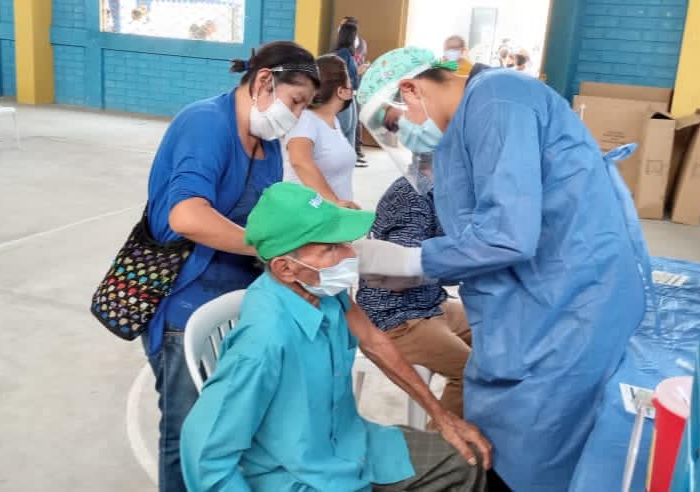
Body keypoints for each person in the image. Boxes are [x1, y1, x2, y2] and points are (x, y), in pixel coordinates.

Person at [354, 47, 650, 491]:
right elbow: (474, 235)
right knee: (499, 427)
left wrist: (413, 260)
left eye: (396, 123)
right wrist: (425, 269)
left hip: (569, 301)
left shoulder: (499, 99)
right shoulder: (460, 135)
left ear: (410, 89)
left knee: (538, 441)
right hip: (522, 301)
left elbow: (507, 234)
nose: (404, 136)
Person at [180, 182, 492, 492]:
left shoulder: (323, 291)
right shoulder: (261, 341)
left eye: (343, 243)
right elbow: (205, 456)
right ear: (285, 268)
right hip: (296, 476)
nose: (349, 254)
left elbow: (374, 341)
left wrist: (442, 416)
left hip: (349, 444)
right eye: (331, 248)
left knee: (470, 460)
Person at [142, 41, 320, 492]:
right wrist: (269, 251)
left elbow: (265, 216)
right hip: (185, 302)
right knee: (189, 433)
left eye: (304, 107)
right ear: (264, 81)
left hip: (237, 298)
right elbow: (187, 216)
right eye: (295, 101)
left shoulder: (267, 142)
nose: (296, 116)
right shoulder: (205, 124)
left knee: (232, 428)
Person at [356, 163, 472, 421]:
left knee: (499, 331)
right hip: (398, 316)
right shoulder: (411, 198)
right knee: (472, 372)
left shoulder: (441, 190)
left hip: (431, 303)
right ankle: (445, 442)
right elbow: (398, 278)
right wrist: (466, 265)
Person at [283, 55, 360, 209]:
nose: (352, 88)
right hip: (308, 214)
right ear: (341, 91)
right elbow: (299, 161)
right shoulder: (305, 119)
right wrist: (333, 202)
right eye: (349, 82)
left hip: (330, 215)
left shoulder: (333, 121)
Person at [333, 22, 364, 165]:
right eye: (356, 35)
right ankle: (343, 161)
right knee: (345, 129)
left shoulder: (349, 54)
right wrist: (357, 72)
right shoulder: (343, 53)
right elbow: (342, 77)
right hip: (344, 96)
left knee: (352, 128)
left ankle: (350, 160)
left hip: (351, 95)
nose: (358, 39)